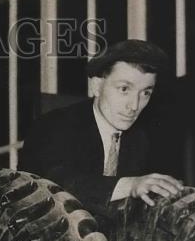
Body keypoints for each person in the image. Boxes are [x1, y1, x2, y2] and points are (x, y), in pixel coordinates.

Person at [22, 39, 183, 218]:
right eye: (124, 89)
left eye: (145, 93)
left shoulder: (138, 140)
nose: (134, 105)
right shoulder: (54, 125)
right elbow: (58, 185)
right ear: (96, 86)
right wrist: (130, 185)